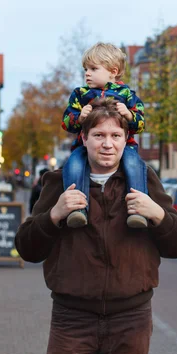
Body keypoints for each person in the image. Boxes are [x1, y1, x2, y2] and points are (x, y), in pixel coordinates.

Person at [15, 99, 177, 354]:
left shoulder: (144, 181)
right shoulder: (60, 181)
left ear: (126, 140)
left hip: (131, 320)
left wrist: (156, 213)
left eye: (115, 136)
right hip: (72, 319)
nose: (107, 144)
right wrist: (54, 215)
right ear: (84, 138)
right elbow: (27, 249)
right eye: (99, 135)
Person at [61, 42, 147, 229]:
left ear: (113, 71)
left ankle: (139, 209)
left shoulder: (127, 95)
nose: (87, 73)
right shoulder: (79, 94)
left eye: (93, 69)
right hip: (84, 147)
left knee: (134, 164)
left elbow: (141, 123)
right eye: (85, 69)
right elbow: (66, 121)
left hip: (126, 147)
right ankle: (77, 210)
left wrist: (129, 114)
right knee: (73, 165)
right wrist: (78, 117)